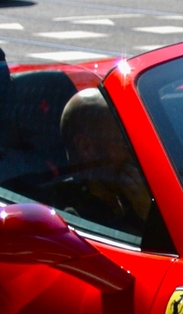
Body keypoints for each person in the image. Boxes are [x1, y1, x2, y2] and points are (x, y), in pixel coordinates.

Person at [57, 88, 154, 233]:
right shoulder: (75, 221)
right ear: (86, 148)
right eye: (126, 143)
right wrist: (148, 216)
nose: (136, 153)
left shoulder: (130, 196)